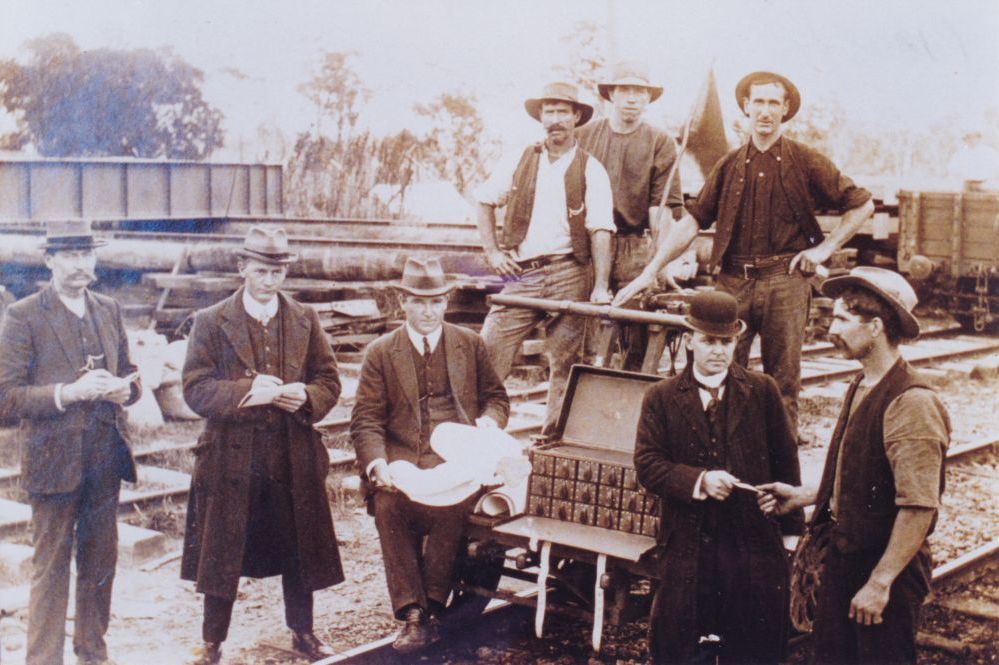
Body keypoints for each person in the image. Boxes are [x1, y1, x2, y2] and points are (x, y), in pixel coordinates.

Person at [620, 70, 875, 435]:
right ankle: (719, 459)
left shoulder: (806, 161)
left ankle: (781, 474)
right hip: (733, 283)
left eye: (774, 103)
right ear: (746, 107)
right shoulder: (729, 164)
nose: (766, 111)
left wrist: (825, 249)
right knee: (715, 373)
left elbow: (862, 205)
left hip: (785, 282)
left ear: (786, 109)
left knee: (782, 381)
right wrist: (653, 269)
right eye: (759, 102)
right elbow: (693, 220)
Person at [759, 267, 950, 665]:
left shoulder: (912, 403)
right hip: (847, 561)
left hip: (883, 569)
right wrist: (808, 496)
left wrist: (880, 583)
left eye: (842, 319)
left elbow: (919, 505)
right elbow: (861, 469)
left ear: (876, 326)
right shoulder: (862, 384)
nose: (832, 329)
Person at [180, 226, 344, 664]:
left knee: (300, 548)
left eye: (277, 271)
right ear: (242, 269)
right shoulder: (211, 321)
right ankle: (212, 641)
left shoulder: (304, 319)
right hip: (232, 457)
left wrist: (305, 396)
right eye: (261, 271)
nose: (270, 280)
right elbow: (195, 390)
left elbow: (329, 381)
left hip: (292, 454)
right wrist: (250, 392)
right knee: (223, 550)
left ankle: (303, 633)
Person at [350, 257, 510, 653]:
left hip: (455, 462)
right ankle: (412, 615)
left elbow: (496, 398)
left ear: (446, 302)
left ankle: (435, 609)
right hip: (403, 462)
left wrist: (488, 422)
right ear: (403, 301)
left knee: (453, 507)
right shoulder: (381, 352)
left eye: (435, 302)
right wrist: (377, 463)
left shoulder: (468, 344)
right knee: (388, 506)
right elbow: (366, 419)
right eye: (418, 302)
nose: (427, 311)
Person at [634, 290, 803, 664]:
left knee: (753, 645)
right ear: (690, 339)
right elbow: (648, 464)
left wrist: (789, 538)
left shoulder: (762, 390)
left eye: (727, 342)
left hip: (752, 544)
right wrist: (700, 480)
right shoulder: (660, 397)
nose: (718, 351)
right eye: (709, 341)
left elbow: (786, 464)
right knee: (679, 645)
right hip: (688, 545)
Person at [0, 221, 142, 665]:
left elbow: (133, 378)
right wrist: (69, 393)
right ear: (49, 261)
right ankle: (43, 660)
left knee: (100, 566)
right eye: (70, 257)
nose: (81, 266)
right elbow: (6, 398)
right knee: (52, 567)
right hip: (53, 463)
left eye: (87, 256)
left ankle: (92, 652)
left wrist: (126, 390)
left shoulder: (108, 308)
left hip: (105, 459)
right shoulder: (24, 315)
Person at [476, 81, 615, 432]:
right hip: (524, 274)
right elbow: (484, 201)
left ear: (575, 118)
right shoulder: (520, 159)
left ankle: (551, 441)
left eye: (563, 112)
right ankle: (480, 429)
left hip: (569, 270)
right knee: (489, 349)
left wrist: (599, 286)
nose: (555, 119)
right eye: (549, 112)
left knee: (566, 363)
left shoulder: (590, 168)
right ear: (540, 117)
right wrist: (493, 252)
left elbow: (601, 229)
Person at [577, 61, 696, 368]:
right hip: (590, 243)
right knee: (585, 332)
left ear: (648, 98)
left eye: (640, 92)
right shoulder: (585, 135)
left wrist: (659, 261)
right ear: (611, 94)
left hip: (636, 244)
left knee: (638, 333)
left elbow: (663, 206)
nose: (632, 98)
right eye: (625, 90)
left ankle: (632, 400)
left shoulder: (660, 141)